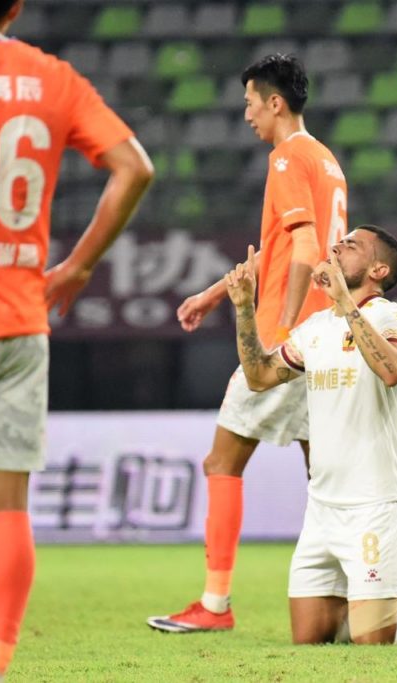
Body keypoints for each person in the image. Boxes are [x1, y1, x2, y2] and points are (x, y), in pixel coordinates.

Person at [0, 1, 155, 680]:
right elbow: (135, 167)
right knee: (5, 507)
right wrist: (77, 266)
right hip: (22, 318)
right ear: (15, 7)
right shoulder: (54, 78)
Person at [216, 227, 397, 645]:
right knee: (315, 639)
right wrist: (245, 308)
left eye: (350, 245)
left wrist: (346, 305)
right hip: (322, 504)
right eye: (338, 243)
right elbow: (260, 376)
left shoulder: (389, 316)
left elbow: (392, 370)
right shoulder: (316, 328)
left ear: (378, 269)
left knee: (373, 643)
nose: (336, 247)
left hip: (376, 501)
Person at [147, 54, 347, 634]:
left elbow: (306, 252)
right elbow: (281, 253)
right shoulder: (326, 160)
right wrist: (215, 292)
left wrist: (282, 332)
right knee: (325, 474)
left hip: (285, 339)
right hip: (328, 336)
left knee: (222, 461)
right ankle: (351, 592)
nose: (247, 116)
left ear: (274, 102)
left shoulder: (286, 157)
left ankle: (214, 606)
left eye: (249, 104)